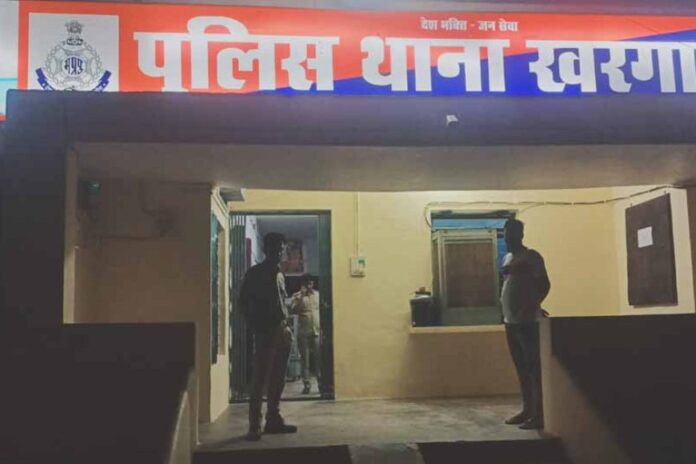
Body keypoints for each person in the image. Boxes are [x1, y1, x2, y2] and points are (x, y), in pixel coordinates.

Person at [239, 232, 298, 441]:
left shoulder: (279, 274)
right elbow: (243, 302)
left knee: (278, 379)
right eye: (275, 248)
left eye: (281, 249)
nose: (279, 252)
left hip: (282, 330)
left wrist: (287, 326)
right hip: (265, 331)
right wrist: (255, 325)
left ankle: (273, 419)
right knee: (260, 379)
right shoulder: (255, 273)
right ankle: (254, 425)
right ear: (266, 249)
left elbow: (281, 302)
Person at [500, 218, 551, 430]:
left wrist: (533, 305)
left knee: (533, 368)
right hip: (510, 322)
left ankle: (540, 414)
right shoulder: (507, 259)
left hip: (527, 322)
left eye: (510, 234)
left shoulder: (532, 257)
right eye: (505, 235)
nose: (507, 239)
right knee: (521, 369)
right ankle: (527, 409)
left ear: (520, 235)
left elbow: (544, 284)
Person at [291, 275, 321, 395]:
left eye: (311, 283)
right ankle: (307, 384)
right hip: (304, 332)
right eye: (307, 283)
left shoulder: (318, 295)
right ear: (302, 284)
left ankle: (321, 383)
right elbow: (293, 310)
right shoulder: (297, 296)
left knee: (319, 359)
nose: (309, 286)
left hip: (317, 331)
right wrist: (301, 297)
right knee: (305, 360)